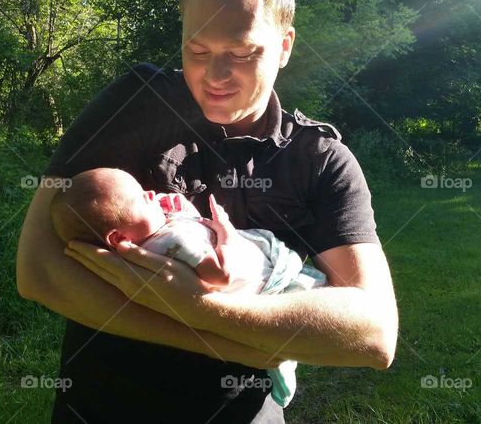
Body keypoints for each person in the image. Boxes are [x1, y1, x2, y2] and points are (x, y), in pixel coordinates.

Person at [16, 0, 398, 423]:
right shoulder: (137, 104)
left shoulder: (318, 159)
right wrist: (222, 334)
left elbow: (374, 334)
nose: (215, 74)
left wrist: (199, 308)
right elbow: (38, 271)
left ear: (284, 46)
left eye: (241, 52)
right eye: (197, 49)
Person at [50, 167, 328, 407]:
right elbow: (221, 275)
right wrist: (226, 230)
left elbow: (192, 237)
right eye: (140, 198)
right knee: (315, 296)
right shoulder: (173, 243)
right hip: (269, 279)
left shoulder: (150, 246)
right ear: (118, 236)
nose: (150, 194)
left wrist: (180, 210)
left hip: (260, 272)